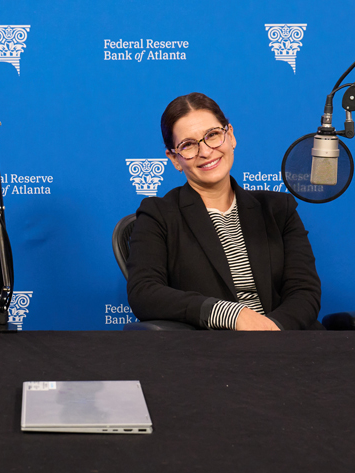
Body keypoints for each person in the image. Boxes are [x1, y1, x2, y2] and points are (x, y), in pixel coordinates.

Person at [126, 92, 322, 331]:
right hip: (213, 355)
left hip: (289, 344)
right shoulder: (158, 215)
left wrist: (273, 332)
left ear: (230, 135)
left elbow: (304, 291)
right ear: (175, 159)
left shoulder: (279, 209)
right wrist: (232, 315)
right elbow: (144, 293)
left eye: (213, 135)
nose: (206, 152)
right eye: (188, 145)